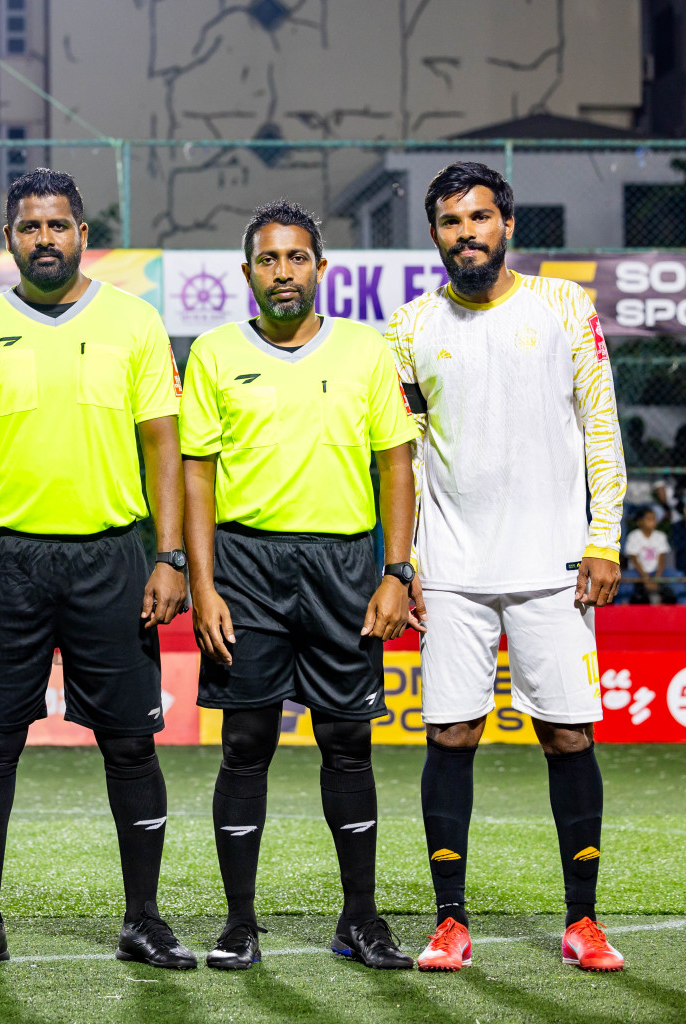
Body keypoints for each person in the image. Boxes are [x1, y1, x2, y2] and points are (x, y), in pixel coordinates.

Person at [0, 168, 190, 969]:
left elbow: (163, 449)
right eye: (28, 227)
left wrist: (170, 555)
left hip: (111, 556)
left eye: (57, 225)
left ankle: (143, 918)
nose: (44, 238)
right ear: (9, 239)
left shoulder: (134, 322)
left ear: (83, 233)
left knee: (130, 745)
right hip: (7, 562)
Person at [386, 162, 627, 973]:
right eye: (452, 222)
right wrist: (408, 559)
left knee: (567, 734)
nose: (467, 234)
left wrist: (604, 537)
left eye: (480, 218)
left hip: (555, 562)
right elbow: (406, 457)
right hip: (451, 567)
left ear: (508, 224)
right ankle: (450, 922)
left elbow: (601, 427)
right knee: (451, 731)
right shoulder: (409, 326)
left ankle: (583, 923)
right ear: (435, 237)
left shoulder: (566, 306)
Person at [181, 201, 420, 972]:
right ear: (246, 272)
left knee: (347, 744)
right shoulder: (215, 353)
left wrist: (398, 571)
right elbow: (197, 478)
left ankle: (360, 919)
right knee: (245, 744)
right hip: (245, 568)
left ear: (322, 266)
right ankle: (239, 923)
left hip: (346, 567)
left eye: (297, 258)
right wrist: (203, 584)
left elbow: (397, 465)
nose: (283, 272)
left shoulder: (365, 350)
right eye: (268, 260)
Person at [623, 508, 674, 604]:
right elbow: (635, 560)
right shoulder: (633, 536)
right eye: (649, 519)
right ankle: (622, 605)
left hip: (657, 571)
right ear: (640, 522)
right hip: (638, 571)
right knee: (625, 580)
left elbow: (662, 559)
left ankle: (683, 604)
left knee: (677, 576)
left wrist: (657, 578)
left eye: (654, 519)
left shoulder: (660, 536)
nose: (653, 522)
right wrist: (646, 578)